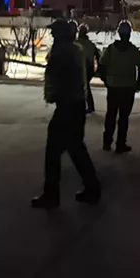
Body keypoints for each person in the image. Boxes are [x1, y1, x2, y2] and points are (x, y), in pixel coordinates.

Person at [32, 19, 101, 208]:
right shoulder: (76, 49)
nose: (52, 36)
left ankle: (52, 195)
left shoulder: (62, 53)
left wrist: (53, 94)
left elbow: (59, 78)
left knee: (54, 151)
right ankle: (92, 188)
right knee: (76, 148)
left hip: (67, 107)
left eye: (55, 33)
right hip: (76, 105)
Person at [99, 20, 140, 153]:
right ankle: (120, 144)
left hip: (113, 87)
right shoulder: (132, 51)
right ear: (130, 34)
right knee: (123, 118)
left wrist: (106, 81)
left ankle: (107, 143)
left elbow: (101, 66)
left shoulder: (110, 49)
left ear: (119, 33)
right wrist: (138, 83)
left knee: (111, 116)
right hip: (127, 88)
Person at [76, 24, 99, 114]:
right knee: (85, 86)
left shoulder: (76, 42)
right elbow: (97, 55)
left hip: (81, 66)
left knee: (80, 86)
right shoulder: (90, 44)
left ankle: (85, 106)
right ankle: (90, 106)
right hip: (89, 67)